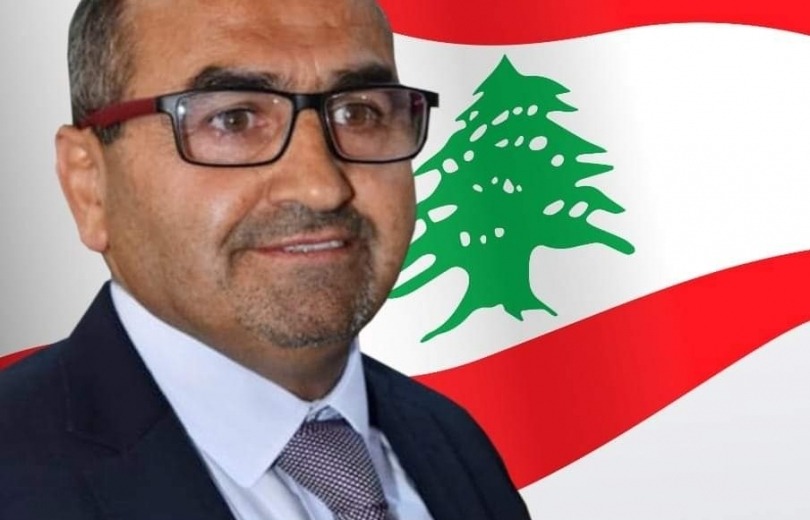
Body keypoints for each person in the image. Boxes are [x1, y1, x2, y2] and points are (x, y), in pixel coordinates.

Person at [0, 0, 531, 518]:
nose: (321, 187)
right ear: (89, 184)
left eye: (359, 112)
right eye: (233, 119)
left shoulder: (452, 443)